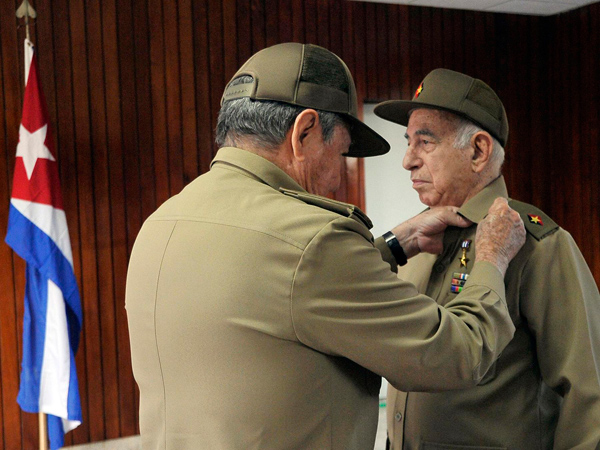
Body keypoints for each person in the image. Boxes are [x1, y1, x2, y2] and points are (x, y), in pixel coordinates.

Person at [125, 44, 526, 450]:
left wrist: (392, 245)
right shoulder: (313, 240)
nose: (339, 176)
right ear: (304, 132)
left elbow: (277, 295)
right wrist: (492, 257)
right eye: (341, 152)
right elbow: (456, 354)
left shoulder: (161, 223)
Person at [375, 68, 600, 450]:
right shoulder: (418, 240)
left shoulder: (537, 243)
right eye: (408, 142)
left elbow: (588, 392)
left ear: (478, 151)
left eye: (425, 142)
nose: (408, 160)